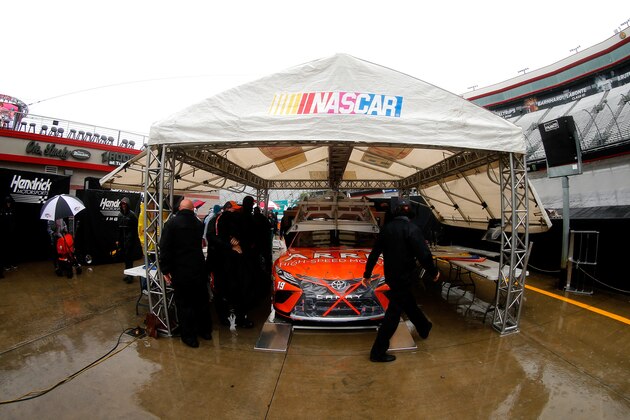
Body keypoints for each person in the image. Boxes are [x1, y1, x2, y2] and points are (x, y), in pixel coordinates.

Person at [362, 199, 440, 363]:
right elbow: (424, 254)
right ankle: (377, 352)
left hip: (392, 276)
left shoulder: (386, 229)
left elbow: (374, 253)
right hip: (406, 277)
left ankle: (424, 327)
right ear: (410, 212)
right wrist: (433, 272)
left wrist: (367, 274)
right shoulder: (412, 228)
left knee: (409, 303)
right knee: (393, 315)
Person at [159, 199, 213, 348]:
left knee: (185, 304)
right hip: (198, 267)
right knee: (201, 301)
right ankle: (205, 331)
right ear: (191, 209)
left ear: (180, 208)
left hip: (181, 270)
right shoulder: (198, 224)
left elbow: (164, 248)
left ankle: (189, 337)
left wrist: (165, 269)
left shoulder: (171, 224)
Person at [117, 197, 140, 284]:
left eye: (125, 204)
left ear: (127, 205)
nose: (123, 206)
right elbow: (119, 229)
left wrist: (132, 240)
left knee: (129, 259)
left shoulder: (132, 215)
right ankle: (128, 274)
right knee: (126, 259)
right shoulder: (120, 215)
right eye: (122, 204)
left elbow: (136, 229)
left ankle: (130, 276)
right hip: (123, 241)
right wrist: (118, 240)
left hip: (130, 241)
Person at [0, 196, 17, 276]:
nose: (8, 204)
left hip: (12, 233)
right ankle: (6, 264)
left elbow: (14, 221)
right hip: (5, 233)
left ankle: (13, 263)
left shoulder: (13, 210)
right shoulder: (2, 210)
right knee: (5, 249)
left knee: (13, 248)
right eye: (7, 202)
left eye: (9, 202)